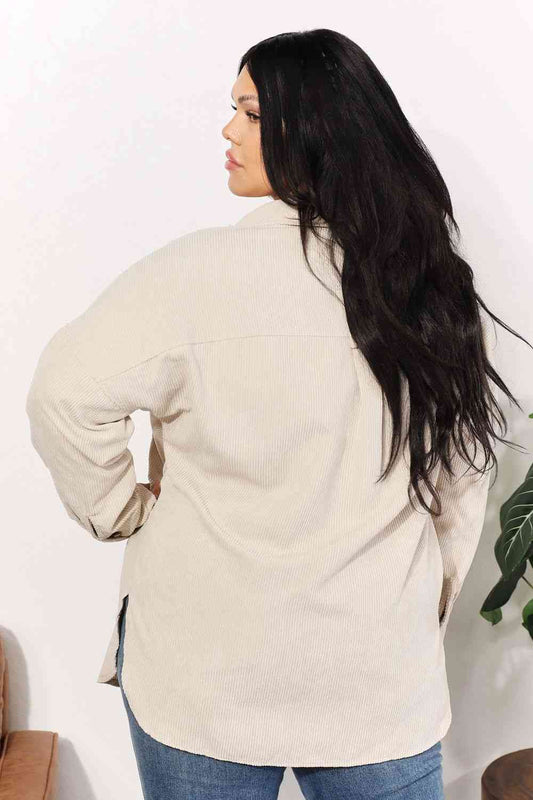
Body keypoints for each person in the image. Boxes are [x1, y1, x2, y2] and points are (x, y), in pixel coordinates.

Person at [26, 28, 526, 800]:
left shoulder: (187, 277)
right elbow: (459, 484)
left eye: (252, 113)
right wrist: (409, 610)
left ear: (318, 127)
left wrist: (121, 512)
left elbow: (62, 393)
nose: (228, 130)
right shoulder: (426, 288)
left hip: (201, 673)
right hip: (372, 678)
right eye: (234, 109)